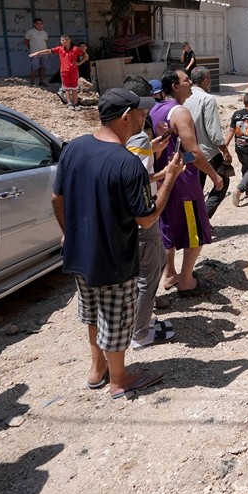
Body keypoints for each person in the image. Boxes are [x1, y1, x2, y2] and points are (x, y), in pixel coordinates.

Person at [52, 88, 182, 399]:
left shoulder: (75, 148)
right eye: (140, 113)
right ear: (125, 118)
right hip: (113, 257)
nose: (145, 117)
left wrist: (68, 232)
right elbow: (147, 218)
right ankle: (119, 379)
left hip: (79, 253)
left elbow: (58, 198)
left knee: (93, 313)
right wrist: (172, 177)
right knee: (116, 317)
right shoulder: (127, 164)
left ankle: (97, 371)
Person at [150, 69, 221, 296]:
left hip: (164, 180)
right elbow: (192, 151)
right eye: (185, 80)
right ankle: (187, 281)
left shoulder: (154, 110)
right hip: (184, 181)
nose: (190, 82)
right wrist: (213, 175)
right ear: (174, 86)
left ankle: (169, 273)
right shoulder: (180, 111)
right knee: (196, 231)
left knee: (167, 228)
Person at [121, 77, 177, 349]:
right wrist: (167, 174)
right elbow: (141, 179)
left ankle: (137, 324)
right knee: (150, 273)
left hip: (123, 218)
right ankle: (141, 332)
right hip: (144, 219)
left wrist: (152, 148)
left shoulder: (119, 135)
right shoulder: (139, 137)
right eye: (144, 111)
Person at [185, 66, 233, 219]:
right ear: (206, 80)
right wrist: (225, 150)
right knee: (222, 182)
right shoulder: (207, 99)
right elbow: (213, 131)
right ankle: (203, 218)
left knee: (195, 187)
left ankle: (194, 221)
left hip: (186, 153)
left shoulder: (183, 98)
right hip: (206, 153)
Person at [29, 35, 84, 109]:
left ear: (68, 41)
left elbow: (85, 56)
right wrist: (38, 53)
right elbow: (49, 50)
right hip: (64, 71)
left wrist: (79, 63)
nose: (61, 42)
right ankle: (69, 103)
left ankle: (75, 103)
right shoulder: (60, 49)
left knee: (74, 88)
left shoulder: (75, 49)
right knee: (66, 88)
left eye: (62, 40)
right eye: (61, 40)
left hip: (74, 71)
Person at [22, 18, 49, 86]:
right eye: (38, 23)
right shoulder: (30, 32)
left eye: (41, 24)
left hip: (44, 52)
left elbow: (45, 41)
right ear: (34, 24)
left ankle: (41, 82)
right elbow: (26, 41)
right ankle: (32, 83)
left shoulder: (45, 33)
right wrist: (31, 48)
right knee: (34, 67)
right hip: (34, 53)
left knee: (43, 67)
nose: (39, 25)